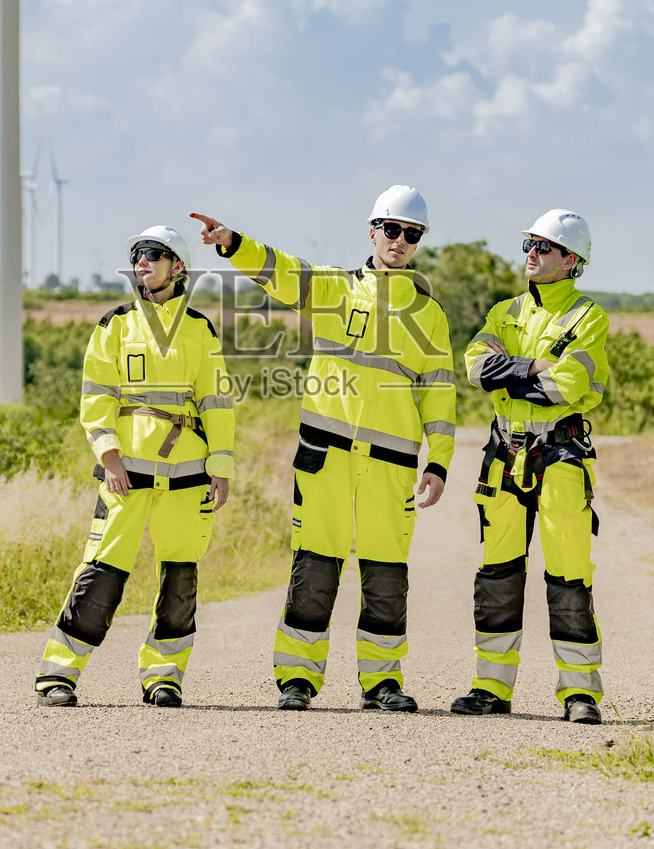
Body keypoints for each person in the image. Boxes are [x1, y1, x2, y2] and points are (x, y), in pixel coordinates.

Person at [190, 185, 456, 712]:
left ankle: (382, 682)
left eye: (411, 234)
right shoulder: (334, 288)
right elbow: (281, 270)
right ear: (372, 230)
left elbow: (440, 395)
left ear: (419, 241)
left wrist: (440, 462)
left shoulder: (429, 314)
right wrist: (232, 242)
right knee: (313, 566)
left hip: (391, 466)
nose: (399, 241)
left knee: (386, 575)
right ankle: (297, 678)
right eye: (391, 229)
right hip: (325, 457)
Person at [35, 225, 234, 709]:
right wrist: (107, 454)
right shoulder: (114, 325)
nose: (141, 262)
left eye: (152, 254)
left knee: (179, 579)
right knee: (102, 572)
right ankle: (58, 674)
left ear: (178, 266)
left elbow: (217, 400)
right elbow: (96, 395)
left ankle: (164, 677)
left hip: (188, 475)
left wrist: (221, 464)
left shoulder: (200, 330)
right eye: (137, 255)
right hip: (125, 475)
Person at [451, 210, 609, 724]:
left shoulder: (589, 318)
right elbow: (475, 366)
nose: (532, 255)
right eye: (529, 245)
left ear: (572, 261)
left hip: (561, 458)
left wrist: (510, 374)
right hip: (503, 458)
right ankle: (490, 689)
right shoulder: (504, 310)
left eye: (545, 247)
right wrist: (533, 367)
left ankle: (580, 694)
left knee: (569, 577)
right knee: (497, 576)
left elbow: (570, 386)